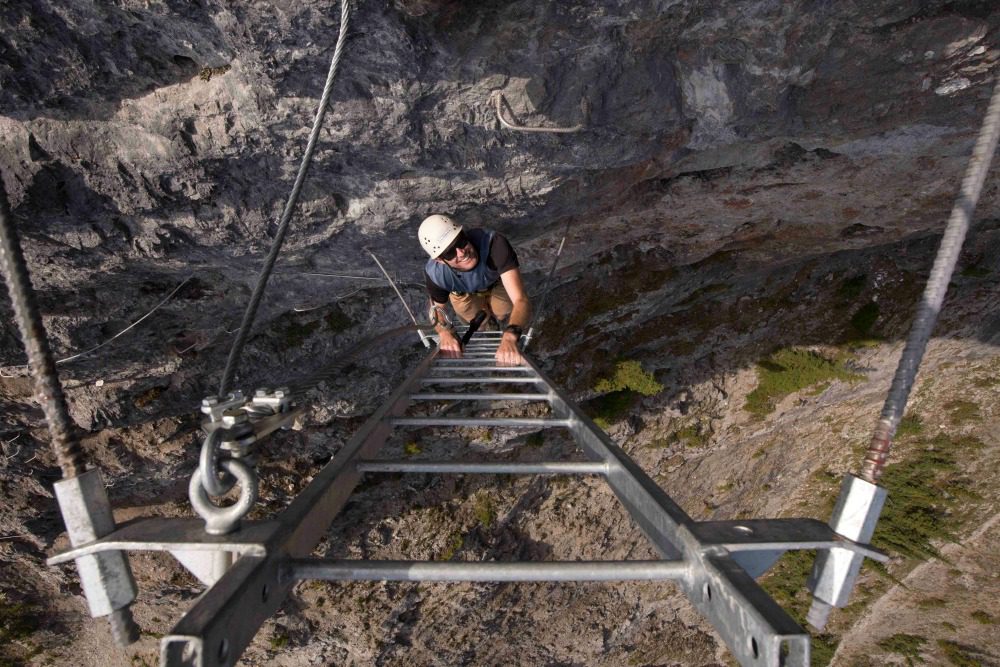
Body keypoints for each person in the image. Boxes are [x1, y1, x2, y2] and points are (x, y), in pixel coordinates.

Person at [418, 214, 530, 365]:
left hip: (495, 282)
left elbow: (520, 299)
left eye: (461, 241)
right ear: (440, 260)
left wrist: (510, 337)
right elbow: (436, 309)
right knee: (476, 321)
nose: (461, 252)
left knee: (502, 312)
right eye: (450, 253)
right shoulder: (436, 274)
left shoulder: (493, 244)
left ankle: (494, 315)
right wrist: (444, 333)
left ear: (464, 234)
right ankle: (486, 320)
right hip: (462, 291)